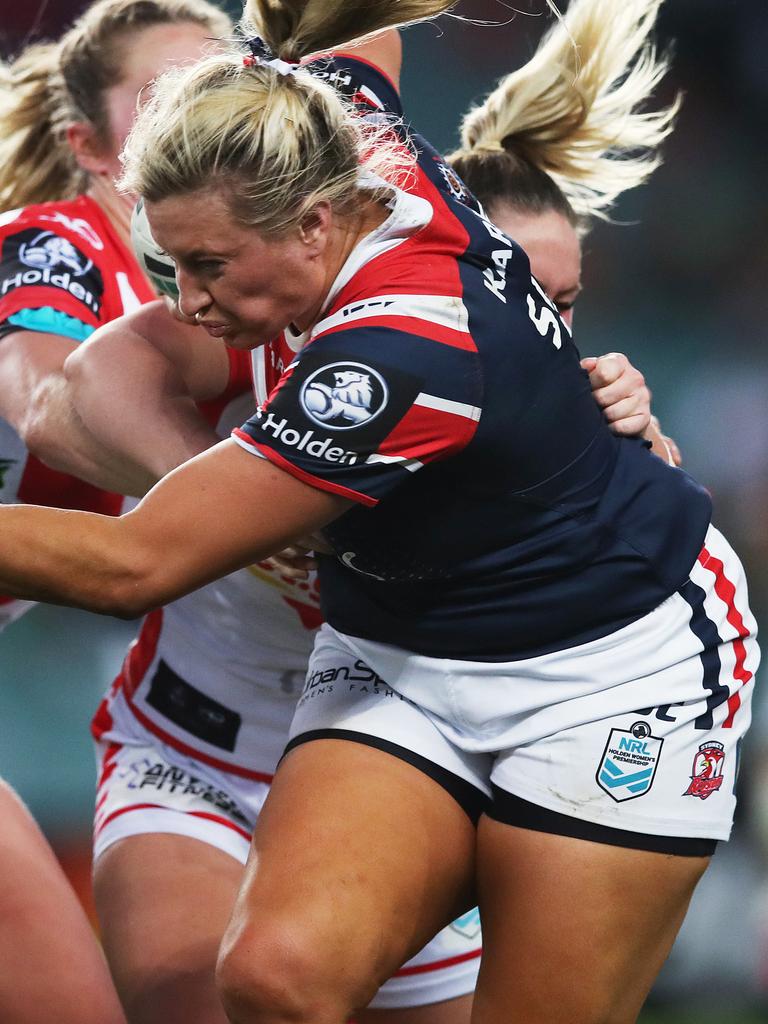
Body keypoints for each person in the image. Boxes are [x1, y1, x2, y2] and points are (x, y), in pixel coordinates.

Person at [0, 2, 757, 1023]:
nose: (190, 304)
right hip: (402, 648)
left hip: (606, 669)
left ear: (312, 227)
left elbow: (138, 565)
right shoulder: (344, 137)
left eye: (211, 266)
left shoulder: (401, 355)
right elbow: (356, 41)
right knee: (276, 978)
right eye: (173, 268)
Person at [0, 2, 231, 1022]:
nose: (205, 115)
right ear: (86, 147)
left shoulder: (231, 287)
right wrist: (228, 498)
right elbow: (45, 400)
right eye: (166, 94)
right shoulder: (55, 242)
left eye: (224, 85)